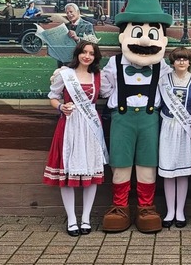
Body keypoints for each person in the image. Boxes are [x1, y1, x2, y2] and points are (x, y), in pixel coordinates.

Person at [99, 0, 173, 234]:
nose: (144, 39)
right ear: (123, 37)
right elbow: (104, 88)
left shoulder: (164, 68)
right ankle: (120, 207)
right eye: (137, 32)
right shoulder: (114, 63)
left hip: (150, 120)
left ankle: (145, 207)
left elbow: (174, 89)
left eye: (152, 34)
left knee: (147, 163)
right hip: (122, 118)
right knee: (120, 161)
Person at [44, 40, 106, 236]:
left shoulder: (98, 76)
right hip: (70, 125)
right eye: (84, 52)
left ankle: (86, 218)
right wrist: (61, 107)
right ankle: (71, 218)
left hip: (90, 127)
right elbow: (53, 97)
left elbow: (109, 93)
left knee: (91, 173)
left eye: (91, 53)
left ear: (95, 57)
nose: (87, 56)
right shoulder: (65, 75)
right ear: (78, 54)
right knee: (67, 173)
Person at [158, 47, 191, 228]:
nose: (181, 62)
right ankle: (169, 211)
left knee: (182, 172)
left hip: (186, 128)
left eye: (184, 59)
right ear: (172, 62)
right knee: (168, 171)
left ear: (190, 62)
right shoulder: (163, 81)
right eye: (177, 59)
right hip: (167, 126)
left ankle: (180, 211)